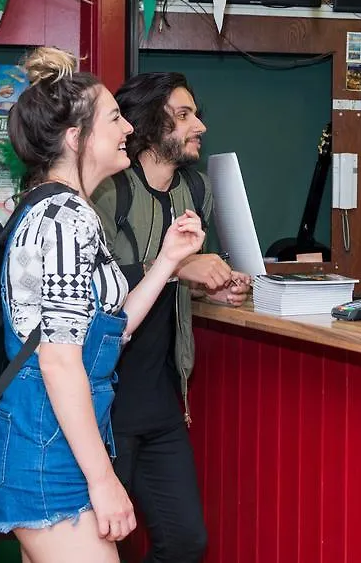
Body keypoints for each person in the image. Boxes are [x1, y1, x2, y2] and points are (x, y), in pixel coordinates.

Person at [0, 48, 205, 563]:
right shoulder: (61, 219)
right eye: (114, 118)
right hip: (45, 448)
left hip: (60, 441)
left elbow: (106, 334)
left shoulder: (70, 210)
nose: (127, 128)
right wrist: (104, 482)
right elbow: (57, 360)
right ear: (77, 138)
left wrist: (167, 260)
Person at [91, 72, 251, 563]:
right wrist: (181, 268)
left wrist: (216, 290)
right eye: (183, 115)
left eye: (194, 113)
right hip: (106, 403)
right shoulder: (108, 192)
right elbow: (94, 288)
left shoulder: (197, 191)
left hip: (163, 397)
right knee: (97, 542)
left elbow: (182, 288)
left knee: (185, 541)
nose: (199, 125)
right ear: (146, 126)